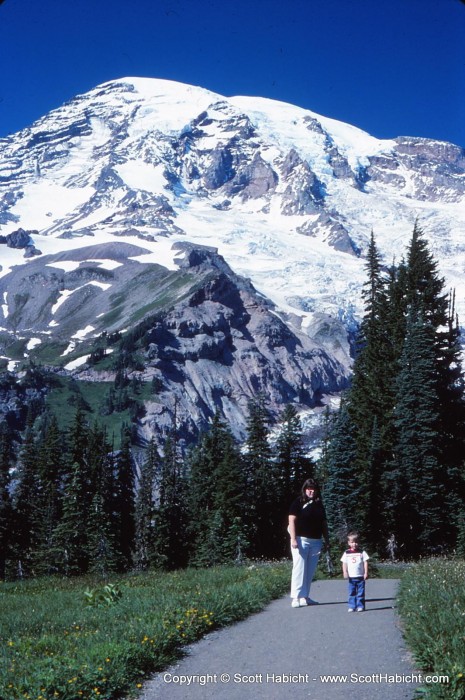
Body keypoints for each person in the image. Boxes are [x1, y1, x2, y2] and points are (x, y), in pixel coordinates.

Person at [288, 478, 330, 608]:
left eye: (314, 489)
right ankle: (296, 597)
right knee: (299, 569)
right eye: (309, 488)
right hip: (301, 540)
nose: (311, 491)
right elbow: (291, 520)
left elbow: (324, 524)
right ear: (305, 489)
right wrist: (293, 539)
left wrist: (327, 540)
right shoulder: (298, 502)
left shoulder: (319, 504)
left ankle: (305, 597)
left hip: (316, 541)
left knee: (309, 571)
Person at [340, 531, 369, 612]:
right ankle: (352, 606)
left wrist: (366, 573)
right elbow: (344, 563)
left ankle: (360, 606)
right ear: (349, 543)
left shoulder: (362, 552)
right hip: (351, 577)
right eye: (352, 542)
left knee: (360, 593)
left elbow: (365, 562)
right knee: (351, 592)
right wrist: (345, 572)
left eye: (356, 542)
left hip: (360, 576)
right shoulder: (347, 553)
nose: (354, 544)